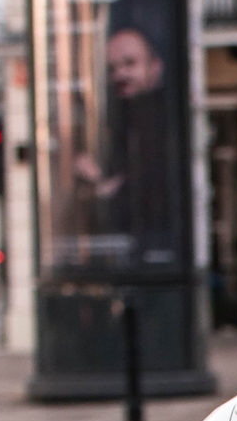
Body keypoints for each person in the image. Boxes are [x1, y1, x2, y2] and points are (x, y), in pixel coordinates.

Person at [71, 25, 177, 262]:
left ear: (155, 66)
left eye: (130, 64)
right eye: (112, 68)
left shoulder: (167, 122)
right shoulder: (106, 121)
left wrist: (105, 184)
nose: (120, 75)